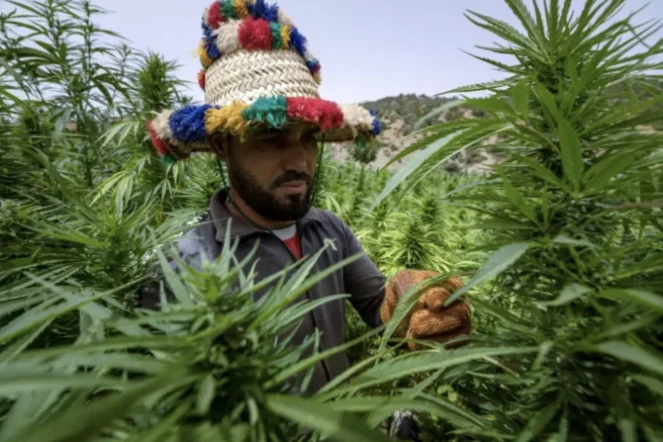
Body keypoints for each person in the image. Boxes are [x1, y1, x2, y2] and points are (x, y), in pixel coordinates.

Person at [143, 0, 472, 437]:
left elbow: (377, 308)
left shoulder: (328, 228)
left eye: (309, 138)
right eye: (271, 138)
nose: (299, 160)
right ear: (223, 144)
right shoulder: (186, 264)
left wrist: (411, 303)